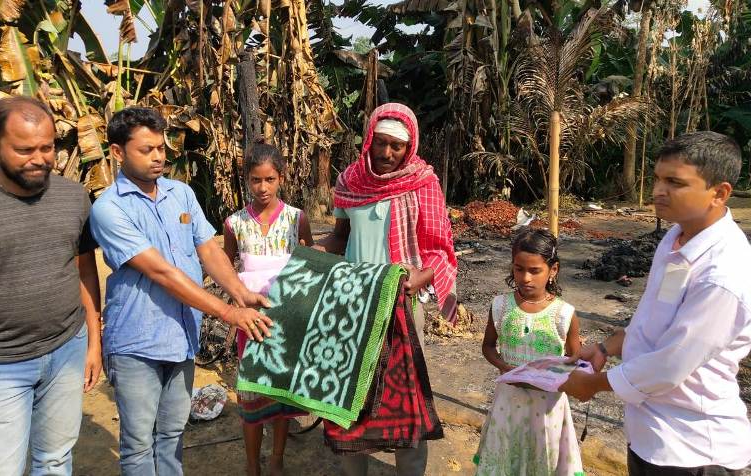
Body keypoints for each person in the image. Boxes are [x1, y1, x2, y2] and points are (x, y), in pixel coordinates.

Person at [89, 107, 273, 475]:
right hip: (136, 343)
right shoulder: (109, 208)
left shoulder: (181, 194)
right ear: (117, 152)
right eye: (146, 149)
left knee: (172, 432)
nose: (159, 156)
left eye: (161, 146)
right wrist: (229, 313)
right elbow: (162, 273)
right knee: (139, 442)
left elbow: (208, 249)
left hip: (181, 337)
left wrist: (239, 291)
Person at [561, 131, 751, 475]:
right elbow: (653, 316)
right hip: (652, 436)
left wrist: (592, 384)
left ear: (719, 193)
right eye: (658, 179)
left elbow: (670, 365)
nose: (658, 191)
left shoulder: (722, 274)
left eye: (675, 182)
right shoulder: (675, 238)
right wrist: (606, 347)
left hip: (693, 449)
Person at [0, 96, 101, 475]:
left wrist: (94, 341)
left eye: (47, 147)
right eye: (24, 149)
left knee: (54, 461)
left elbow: (85, 271)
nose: (39, 158)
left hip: (67, 349)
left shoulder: (73, 197)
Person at [316, 102, 457, 476]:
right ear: (369, 140)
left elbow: (440, 249)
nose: (387, 153)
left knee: (407, 394)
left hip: (403, 304)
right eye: (380, 143)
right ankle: (353, 468)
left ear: (408, 148)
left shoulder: (422, 183)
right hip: (354, 301)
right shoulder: (350, 180)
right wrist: (310, 253)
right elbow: (340, 238)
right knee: (351, 392)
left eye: (396, 146)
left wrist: (420, 277)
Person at [223, 141, 314, 476]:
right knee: (249, 391)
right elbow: (230, 269)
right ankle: (251, 464)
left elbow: (306, 263)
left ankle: (276, 460)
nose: (263, 187)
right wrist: (236, 303)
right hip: (250, 321)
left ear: (281, 178)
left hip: (287, 320)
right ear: (246, 180)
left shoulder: (296, 219)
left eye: (270, 179)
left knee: (281, 392)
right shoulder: (234, 224)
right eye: (256, 180)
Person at [474, 228, 583, 475]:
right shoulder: (500, 306)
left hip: (547, 408)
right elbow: (488, 346)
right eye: (519, 269)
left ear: (552, 270)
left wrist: (554, 374)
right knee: (506, 457)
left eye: (535, 271)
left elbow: (575, 356)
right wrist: (504, 367)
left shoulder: (564, 313)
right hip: (508, 402)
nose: (525, 278)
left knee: (542, 458)